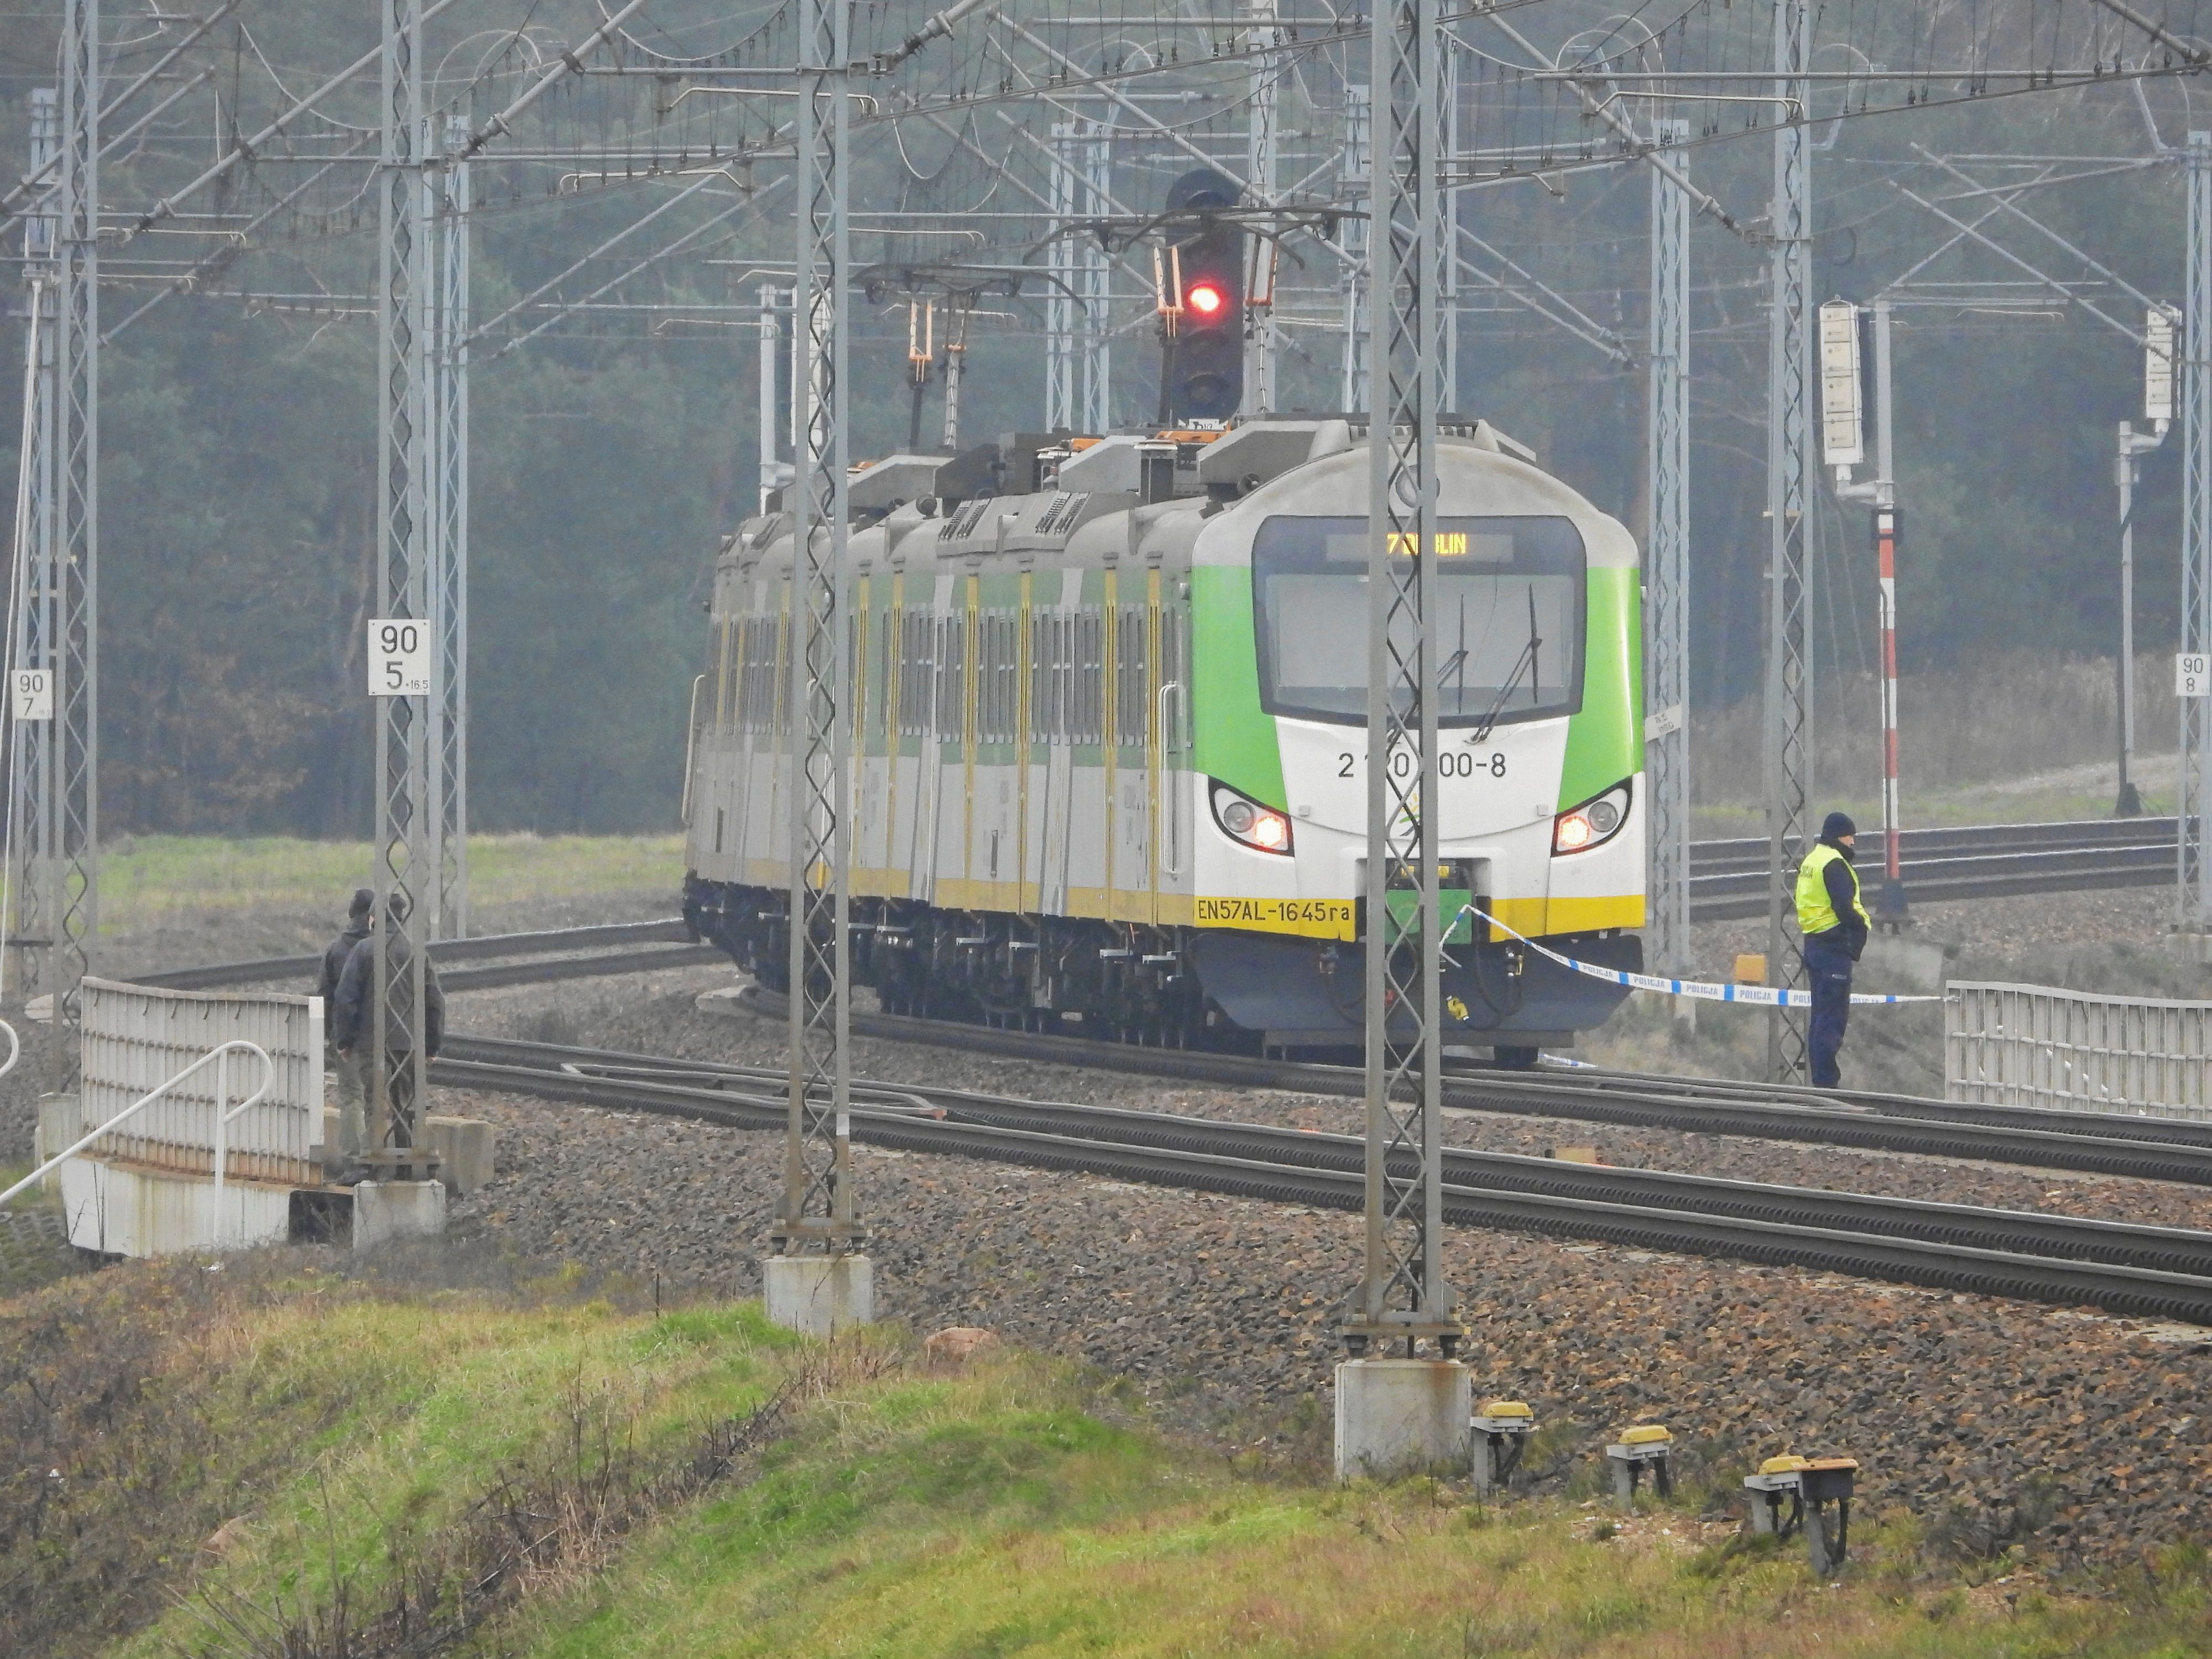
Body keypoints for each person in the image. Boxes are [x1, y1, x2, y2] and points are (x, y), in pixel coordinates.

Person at [331, 893, 446, 1161]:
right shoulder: (417, 951)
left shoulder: (363, 950)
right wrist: (432, 1045)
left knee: (375, 1103)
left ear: (374, 919)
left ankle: (376, 1163)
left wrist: (345, 1042)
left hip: (372, 1044)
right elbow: (434, 1002)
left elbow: (345, 999)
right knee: (405, 1104)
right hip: (409, 1044)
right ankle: (407, 1161)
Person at [1795, 810, 1870, 1089]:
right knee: (1832, 1020)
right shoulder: (1834, 864)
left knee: (1820, 1017)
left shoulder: (1812, 860)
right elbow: (1844, 907)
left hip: (1814, 944)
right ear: (1842, 836)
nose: (1854, 843)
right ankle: (1827, 1084)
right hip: (1833, 948)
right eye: (1852, 837)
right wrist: (1858, 929)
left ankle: (1821, 1081)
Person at [317, 889, 375, 1167]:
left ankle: (354, 1159)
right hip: (382, 1035)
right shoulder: (384, 946)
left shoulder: (336, 948)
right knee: (381, 1094)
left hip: (346, 1037)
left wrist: (333, 1036)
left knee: (352, 1096)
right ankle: (380, 1156)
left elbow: (326, 996)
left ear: (352, 914)